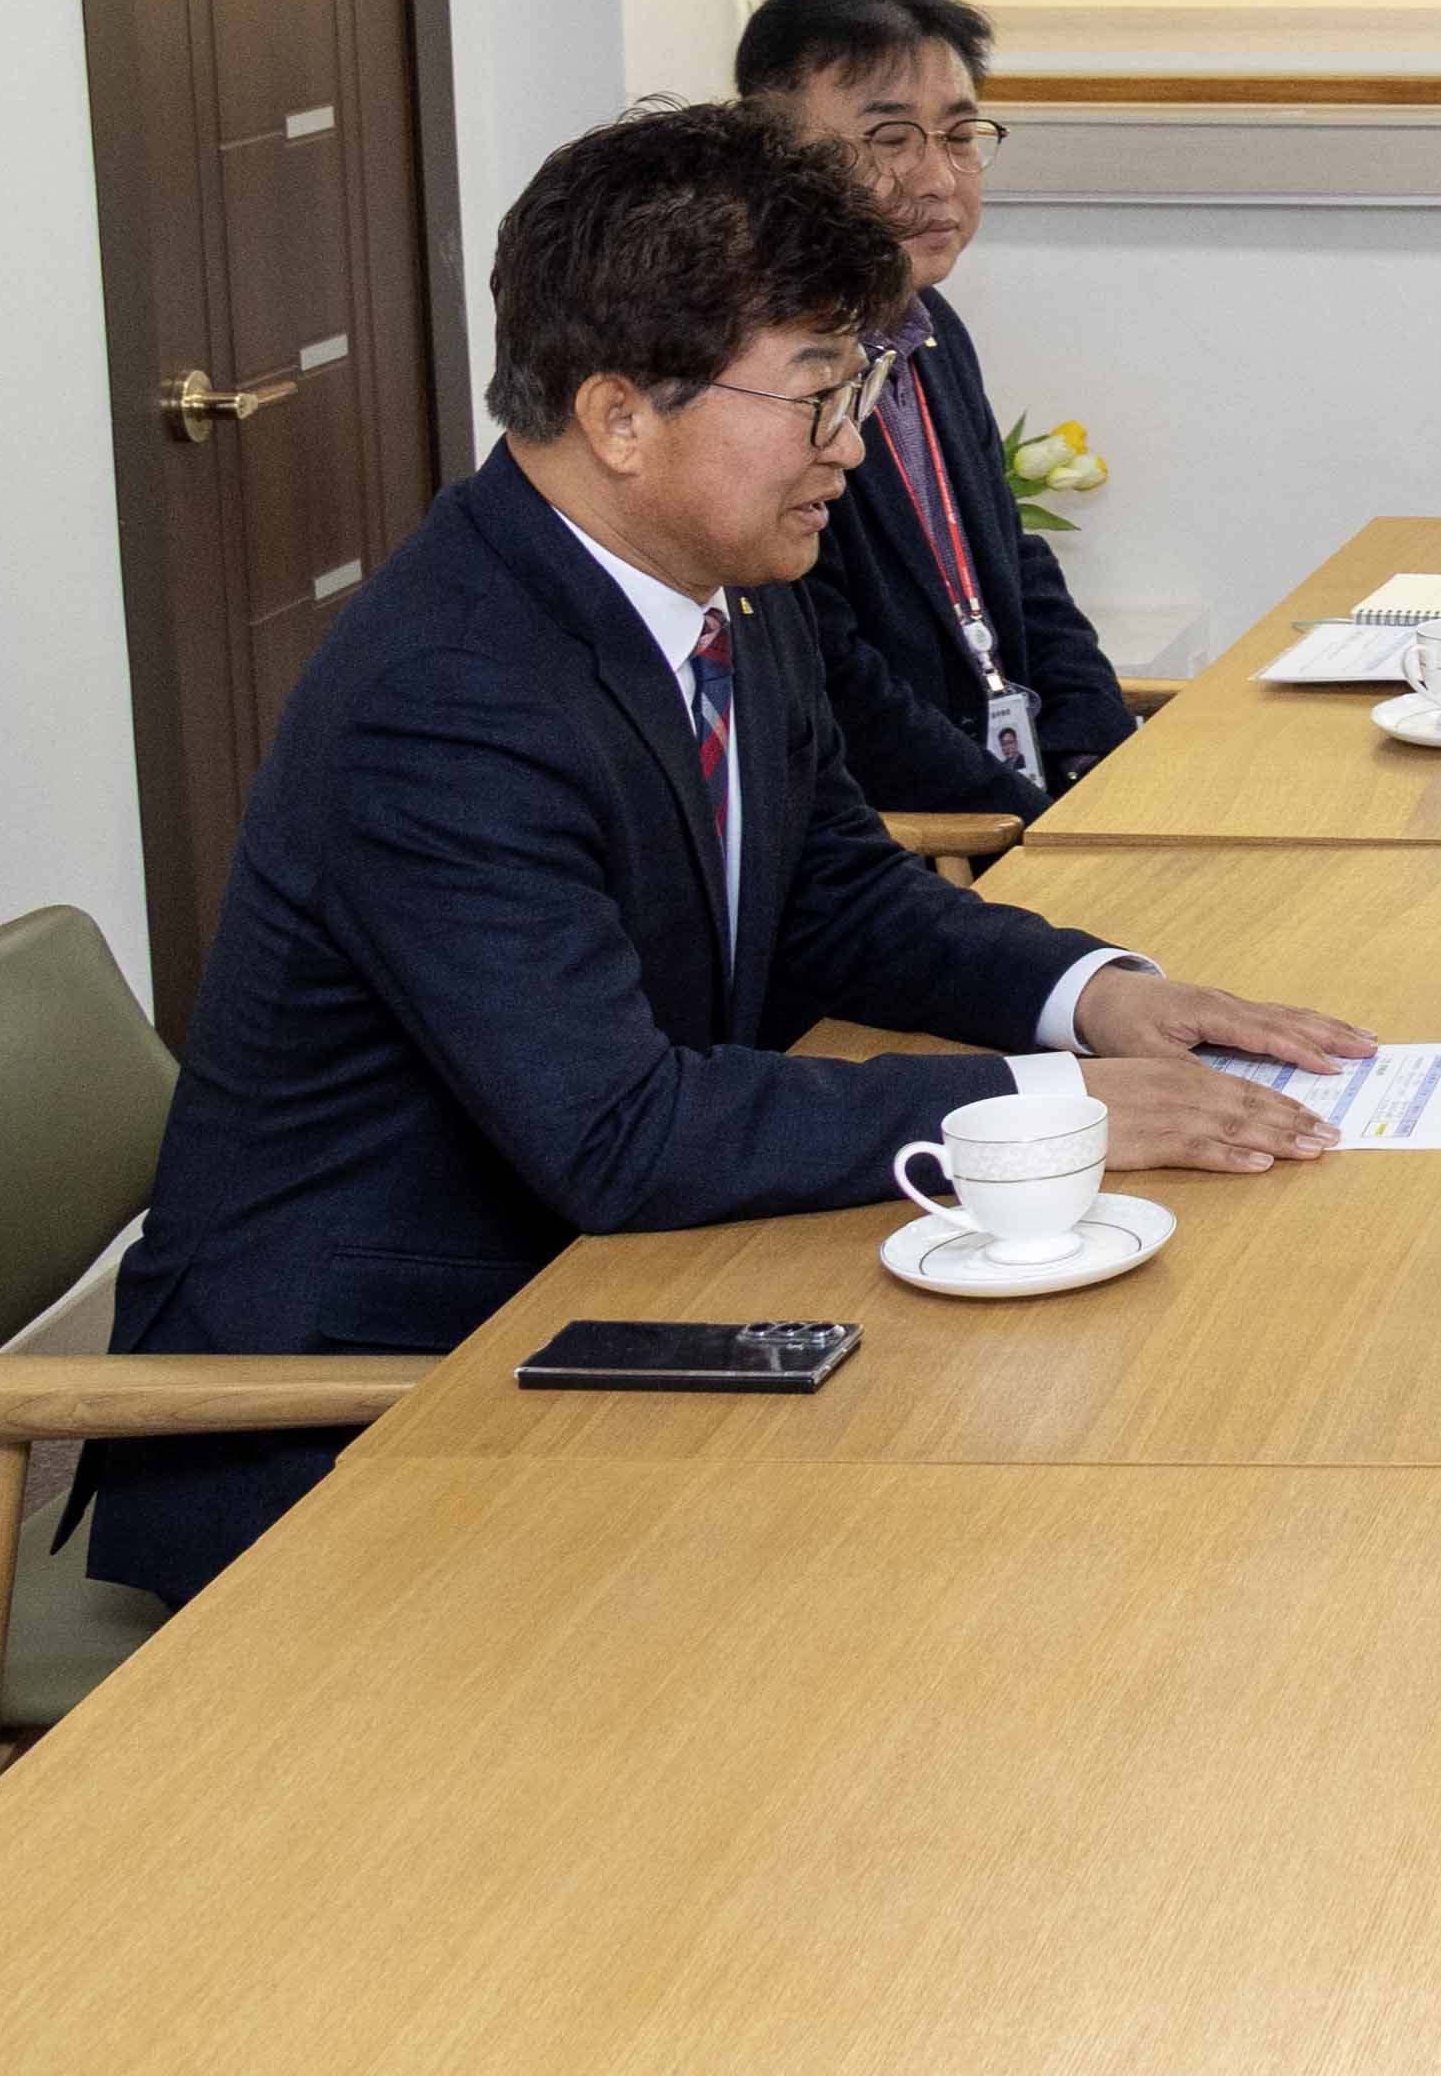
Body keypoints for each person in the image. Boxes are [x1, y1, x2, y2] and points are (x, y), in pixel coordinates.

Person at [92, 104, 1372, 1604]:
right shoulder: (443, 696)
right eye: (820, 391)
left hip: (598, 1292)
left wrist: (1092, 997)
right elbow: (618, 1133)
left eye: (868, 381)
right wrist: (1059, 1104)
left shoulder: (724, 587)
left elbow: (832, 887)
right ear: (622, 414)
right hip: (363, 1397)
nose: (857, 442)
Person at [735, 0, 1133, 824]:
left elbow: (1010, 557)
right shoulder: (760, 372)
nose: (937, 180)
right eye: (889, 140)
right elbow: (828, 673)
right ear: (771, 152)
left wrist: (1095, 754)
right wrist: (1024, 819)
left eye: (958, 137)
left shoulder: (930, 325)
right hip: (918, 845)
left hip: (1013, 811)